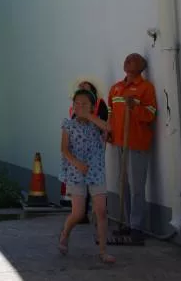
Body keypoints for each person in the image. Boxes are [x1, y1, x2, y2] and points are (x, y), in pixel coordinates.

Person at [57, 89, 115, 264]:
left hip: (96, 171)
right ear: (72, 106)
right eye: (77, 103)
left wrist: (90, 116)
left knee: (101, 212)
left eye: (84, 104)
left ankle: (103, 251)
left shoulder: (96, 123)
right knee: (78, 213)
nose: (80, 107)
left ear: (91, 107)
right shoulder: (68, 124)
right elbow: (64, 150)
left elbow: (108, 128)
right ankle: (65, 234)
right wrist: (77, 164)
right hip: (76, 173)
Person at [108, 53, 157, 243]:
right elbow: (111, 113)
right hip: (120, 143)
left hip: (136, 143)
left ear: (141, 66)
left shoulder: (146, 88)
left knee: (137, 186)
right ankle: (126, 223)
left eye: (133, 59)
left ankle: (137, 227)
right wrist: (108, 130)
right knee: (123, 185)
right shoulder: (116, 88)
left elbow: (150, 115)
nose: (127, 60)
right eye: (126, 58)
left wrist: (134, 108)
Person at [67, 80, 108, 225]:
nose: (82, 89)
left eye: (85, 87)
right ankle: (81, 214)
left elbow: (103, 122)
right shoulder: (75, 106)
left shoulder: (99, 103)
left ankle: (97, 215)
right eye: (80, 88)